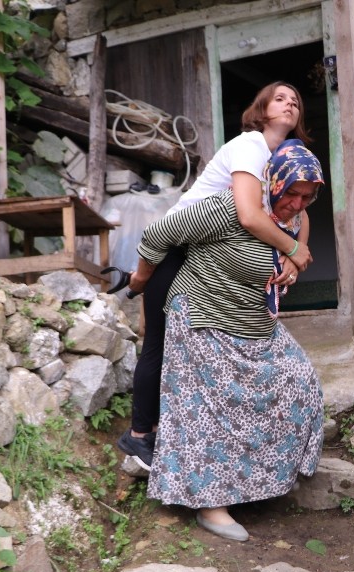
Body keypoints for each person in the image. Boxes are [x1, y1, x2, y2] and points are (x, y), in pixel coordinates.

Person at [116, 81, 317, 472]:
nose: (289, 104)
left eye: (295, 102)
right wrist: (292, 249)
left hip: (204, 244)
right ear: (261, 108)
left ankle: (163, 430)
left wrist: (293, 257)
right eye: (279, 98)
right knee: (158, 341)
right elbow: (248, 214)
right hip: (178, 243)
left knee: (172, 345)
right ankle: (139, 435)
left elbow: (299, 210)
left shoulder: (284, 157)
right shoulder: (250, 145)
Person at [131, 141, 326, 541]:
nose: (297, 203)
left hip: (254, 322)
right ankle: (210, 505)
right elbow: (157, 234)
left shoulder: (293, 220)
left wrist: (292, 260)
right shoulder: (228, 209)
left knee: (299, 381)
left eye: (307, 196)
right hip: (204, 315)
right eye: (292, 192)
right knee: (212, 411)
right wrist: (140, 280)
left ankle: (261, 480)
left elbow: (293, 251)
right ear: (273, 181)